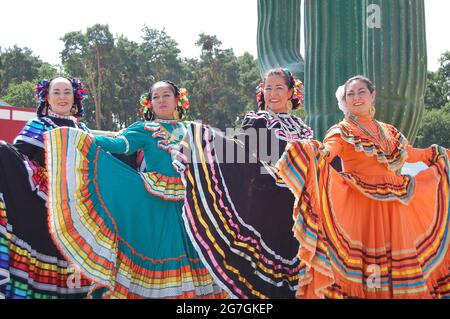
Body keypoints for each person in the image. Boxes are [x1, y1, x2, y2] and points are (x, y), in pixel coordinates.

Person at [45, 80, 227, 299]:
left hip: (191, 204)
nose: (161, 100)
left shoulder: (193, 130)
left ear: (178, 99)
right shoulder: (144, 128)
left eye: (166, 95)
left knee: (196, 251)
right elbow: (120, 144)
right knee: (162, 251)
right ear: (149, 103)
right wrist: (83, 138)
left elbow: (217, 156)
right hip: (155, 203)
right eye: (156, 97)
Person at [275, 75, 450, 299]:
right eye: (351, 94)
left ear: (372, 95)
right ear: (345, 101)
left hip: (396, 203)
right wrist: (316, 152)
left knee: (396, 261)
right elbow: (330, 150)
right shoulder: (342, 129)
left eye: (361, 92)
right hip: (362, 203)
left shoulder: (389, 130)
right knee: (369, 263)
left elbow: (412, 154)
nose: (356, 98)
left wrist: (436, 154)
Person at [175, 68, 313, 298]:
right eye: (268, 87)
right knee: (270, 263)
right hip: (266, 204)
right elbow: (237, 151)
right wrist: (200, 142)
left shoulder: (303, 129)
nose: (273, 93)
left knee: (296, 260)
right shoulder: (258, 121)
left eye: (279, 87)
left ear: (291, 92)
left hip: (297, 206)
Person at [0, 76, 93, 298]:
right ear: (47, 98)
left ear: (75, 97)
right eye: (57, 92)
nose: (62, 97)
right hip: (43, 199)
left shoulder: (86, 131)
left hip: (77, 204)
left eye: (67, 92)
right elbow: (18, 155)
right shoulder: (37, 125)